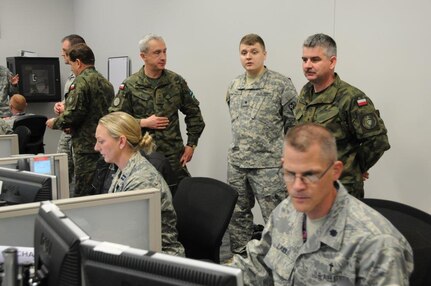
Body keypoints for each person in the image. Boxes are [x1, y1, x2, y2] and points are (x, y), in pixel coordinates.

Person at [231, 123, 413, 285]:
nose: (297, 186)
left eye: (310, 175)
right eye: (290, 173)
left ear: (335, 171)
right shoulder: (286, 211)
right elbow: (257, 267)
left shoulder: (377, 244)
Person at [225, 34, 297, 257]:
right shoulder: (234, 86)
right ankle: (241, 261)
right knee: (237, 216)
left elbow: (294, 125)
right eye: (244, 52)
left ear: (264, 54)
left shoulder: (281, 85)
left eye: (254, 52)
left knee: (277, 217)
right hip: (237, 164)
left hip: (268, 166)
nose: (249, 57)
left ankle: (281, 262)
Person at [295, 33, 390, 198]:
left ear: (332, 62)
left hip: (340, 188)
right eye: (305, 60)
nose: (307, 65)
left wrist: (356, 166)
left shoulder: (351, 98)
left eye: (315, 60)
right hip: (308, 185)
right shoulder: (305, 93)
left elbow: (377, 141)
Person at [109, 33, 205, 183]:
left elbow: (194, 115)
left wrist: (191, 145)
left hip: (173, 157)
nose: (163, 57)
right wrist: (143, 123)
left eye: (164, 51)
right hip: (142, 157)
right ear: (143, 56)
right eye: (157, 52)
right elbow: (114, 121)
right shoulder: (130, 85)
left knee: (179, 199)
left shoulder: (176, 82)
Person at [94, 111, 185, 256]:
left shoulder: (142, 180)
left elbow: (126, 235)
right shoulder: (123, 169)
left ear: (122, 142)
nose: (96, 148)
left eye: (101, 141)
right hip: (139, 250)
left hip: (160, 259)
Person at [46, 43, 114, 197]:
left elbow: (73, 114)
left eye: (71, 64)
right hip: (104, 143)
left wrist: (54, 123)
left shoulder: (80, 82)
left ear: (78, 62)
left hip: (85, 146)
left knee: (83, 189)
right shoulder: (106, 83)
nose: (71, 68)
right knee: (101, 185)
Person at [54, 34, 86, 196]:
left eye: (65, 51)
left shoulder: (87, 80)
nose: (63, 54)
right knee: (62, 171)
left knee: (78, 177)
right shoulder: (71, 78)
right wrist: (61, 106)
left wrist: (55, 122)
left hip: (79, 135)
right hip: (66, 134)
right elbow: (69, 102)